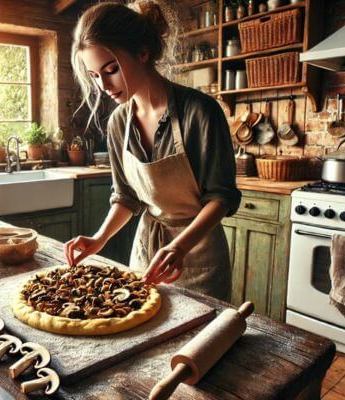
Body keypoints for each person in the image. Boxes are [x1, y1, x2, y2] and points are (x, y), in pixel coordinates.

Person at [63, 1, 241, 301]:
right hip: (148, 250)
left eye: (111, 70)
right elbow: (126, 198)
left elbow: (221, 198)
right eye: (94, 75)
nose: (104, 85)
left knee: (201, 342)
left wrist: (179, 247)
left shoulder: (199, 112)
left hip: (199, 253)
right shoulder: (119, 123)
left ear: (142, 53)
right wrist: (99, 239)